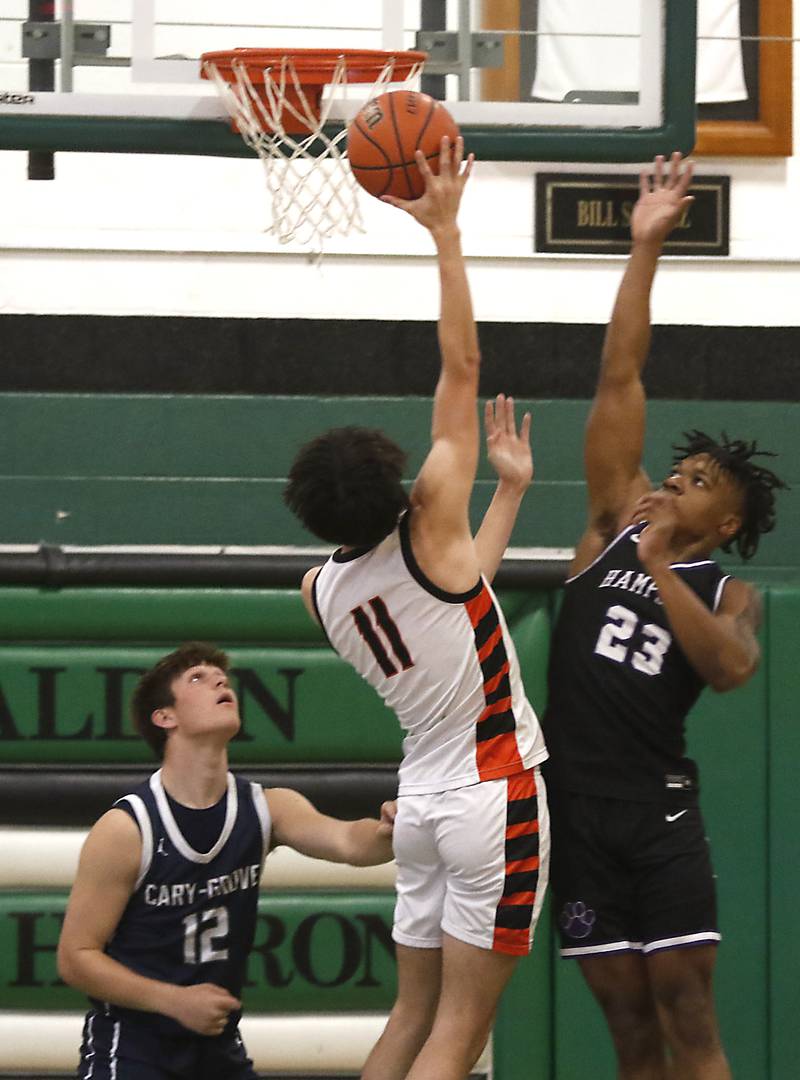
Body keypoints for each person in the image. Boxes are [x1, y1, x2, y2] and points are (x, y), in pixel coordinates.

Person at [283, 136, 549, 1080]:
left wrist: (508, 494)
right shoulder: (429, 522)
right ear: (401, 487)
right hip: (491, 790)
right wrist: (444, 233)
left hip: (426, 807)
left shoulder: (319, 589)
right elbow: (463, 369)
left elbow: (460, 590)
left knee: (409, 1019)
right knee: (461, 1035)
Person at [542, 152, 786, 1080]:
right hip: (578, 807)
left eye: (698, 484)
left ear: (722, 522)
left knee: (689, 1011)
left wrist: (661, 571)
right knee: (629, 1029)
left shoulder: (728, 589)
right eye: (676, 471)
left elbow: (730, 669)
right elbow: (620, 379)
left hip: (657, 812)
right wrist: (645, 246)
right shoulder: (611, 523)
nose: (675, 481)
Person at [57, 641, 396, 1080]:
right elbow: (76, 957)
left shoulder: (268, 806)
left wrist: (390, 830)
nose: (220, 680)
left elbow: (350, 843)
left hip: (214, 1043)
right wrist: (173, 1000)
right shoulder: (128, 828)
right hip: (133, 1044)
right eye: (197, 678)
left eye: (222, 677)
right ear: (166, 717)